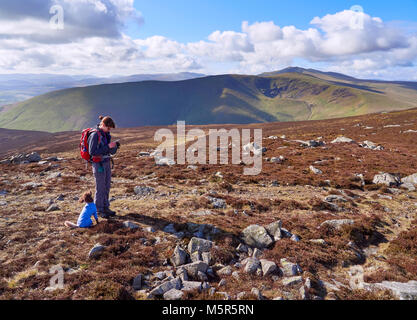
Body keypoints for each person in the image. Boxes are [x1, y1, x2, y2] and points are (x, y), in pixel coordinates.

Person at [88, 115, 119, 218]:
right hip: (98, 164)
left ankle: (106, 207)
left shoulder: (105, 134)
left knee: (107, 186)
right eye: (108, 128)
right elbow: (92, 152)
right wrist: (108, 147)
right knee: (100, 187)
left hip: (106, 162)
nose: (109, 130)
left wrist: (114, 147)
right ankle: (99, 209)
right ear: (103, 125)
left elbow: (106, 149)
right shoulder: (95, 135)